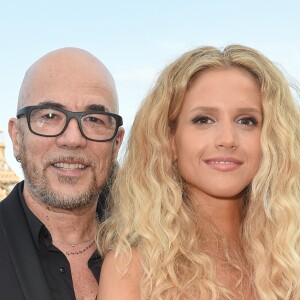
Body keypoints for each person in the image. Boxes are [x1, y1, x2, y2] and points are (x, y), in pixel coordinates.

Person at [97, 45, 300, 299]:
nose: (227, 139)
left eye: (247, 121)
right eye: (203, 120)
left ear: (271, 139)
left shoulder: (291, 258)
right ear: (169, 140)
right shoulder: (131, 269)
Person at [0, 47, 124, 300]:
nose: (73, 138)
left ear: (117, 144)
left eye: (94, 119)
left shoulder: (156, 255)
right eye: (49, 116)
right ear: (16, 137)